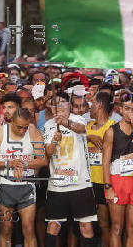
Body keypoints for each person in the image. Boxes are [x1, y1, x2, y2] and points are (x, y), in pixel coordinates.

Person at [43, 92, 97, 247]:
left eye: (61, 103)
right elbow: (48, 152)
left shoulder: (77, 119)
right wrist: (54, 140)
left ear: (69, 105)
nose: (58, 106)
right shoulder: (48, 125)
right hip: (57, 185)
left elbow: (81, 129)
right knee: (53, 225)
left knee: (86, 226)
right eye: (54, 104)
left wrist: (66, 123)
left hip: (80, 183)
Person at [0, 108, 47, 247]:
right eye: (19, 127)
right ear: (11, 121)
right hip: (5, 185)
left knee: (28, 229)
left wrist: (23, 164)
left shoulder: (33, 132)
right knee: (6, 229)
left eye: (25, 127)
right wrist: (11, 163)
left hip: (27, 185)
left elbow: (43, 160)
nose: (22, 131)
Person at [103, 93, 133, 247]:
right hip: (117, 182)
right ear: (121, 110)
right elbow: (105, 162)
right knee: (117, 227)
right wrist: (108, 187)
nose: (131, 112)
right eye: (127, 108)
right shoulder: (111, 131)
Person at [86, 92, 114, 247]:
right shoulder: (87, 127)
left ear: (100, 105)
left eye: (92, 103)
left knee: (104, 224)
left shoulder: (111, 127)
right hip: (86, 183)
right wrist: (88, 137)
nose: (90, 106)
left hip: (102, 182)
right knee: (86, 224)